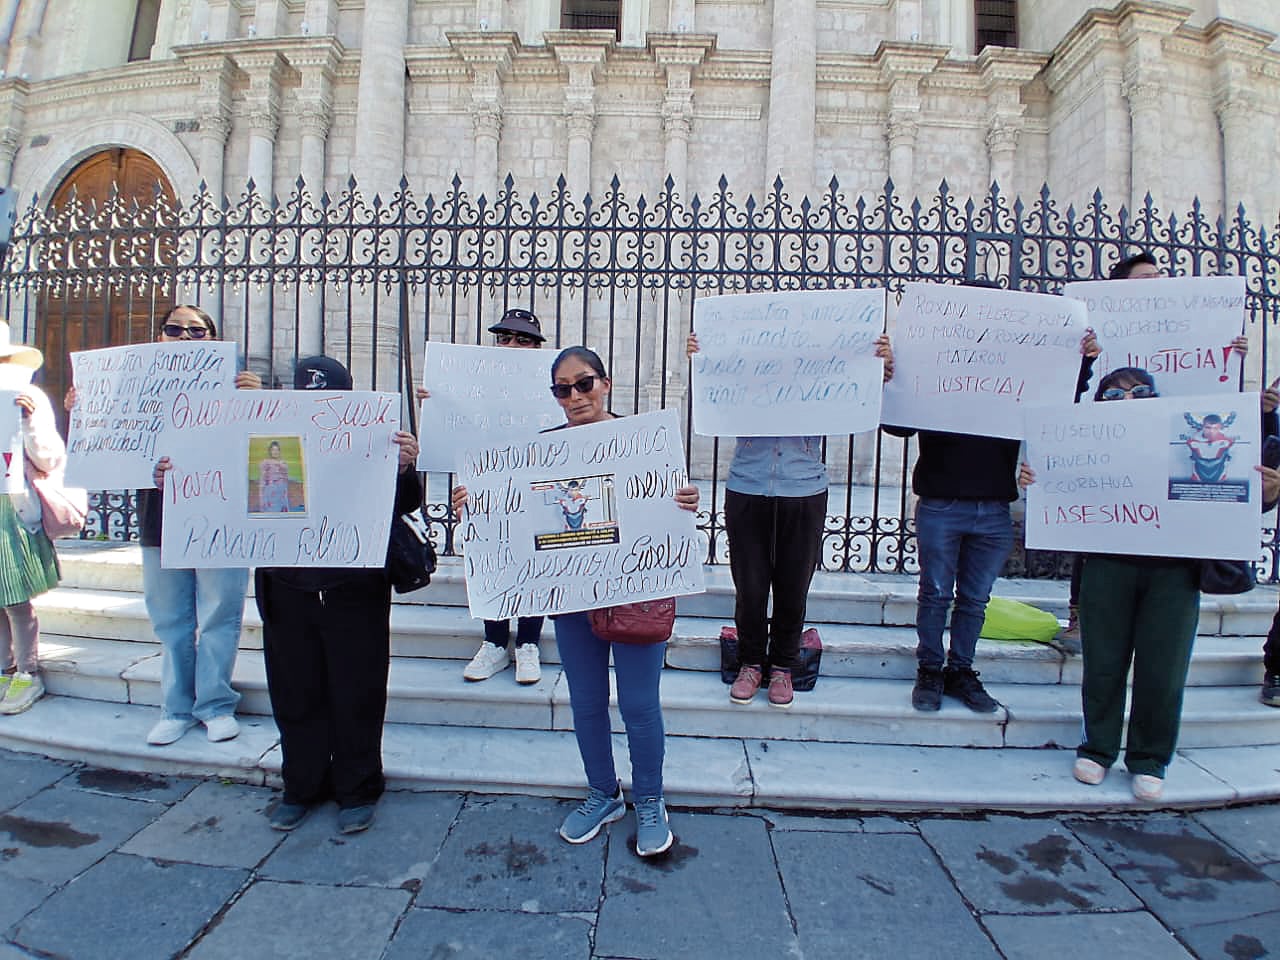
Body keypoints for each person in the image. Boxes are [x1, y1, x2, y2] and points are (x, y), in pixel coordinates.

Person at [453, 345, 699, 857]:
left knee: (638, 704)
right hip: (570, 597)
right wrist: (474, 503)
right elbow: (513, 514)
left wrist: (686, 500)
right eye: (562, 389)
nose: (574, 397)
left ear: (605, 383)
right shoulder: (543, 450)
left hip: (635, 593)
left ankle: (650, 800)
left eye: (583, 384)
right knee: (586, 702)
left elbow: (666, 505)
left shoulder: (643, 443)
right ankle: (602, 792)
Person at [67, 305, 261, 744]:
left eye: (197, 330)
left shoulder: (239, 385)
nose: (185, 337)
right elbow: (102, 441)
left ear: (213, 338)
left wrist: (259, 399)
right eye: (175, 329)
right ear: (160, 337)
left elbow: (273, 442)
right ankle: (175, 708)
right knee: (171, 617)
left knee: (219, 614)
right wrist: (84, 409)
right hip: (160, 515)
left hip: (222, 513)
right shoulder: (130, 389)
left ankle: (214, 704)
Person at [686, 330, 894, 709]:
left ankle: (782, 664)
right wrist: (705, 359)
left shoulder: (820, 373)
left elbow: (856, 402)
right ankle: (751, 662)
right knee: (749, 586)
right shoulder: (746, 370)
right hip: (748, 485)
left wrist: (874, 370)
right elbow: (714, 399)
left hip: (804, 487)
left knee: (793, 585)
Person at [1024, 366, 1205, 802]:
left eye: (1139, 392)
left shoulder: (1183, 442)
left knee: (1163, 668)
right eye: (1112, 394)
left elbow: (1227, 492)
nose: (1126, 401)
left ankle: (1149, 758)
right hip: (1108, 563)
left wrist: (1269, 492)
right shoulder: (1089, 443)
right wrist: (1038, 480)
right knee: (1103, 663)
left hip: (1173, 568)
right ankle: (1098, 748)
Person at [258, 356, 421, 835]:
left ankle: (358, 787)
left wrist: (404, 467)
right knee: (293, 687)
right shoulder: (269, 443)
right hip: (284, 581)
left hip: (355, 584)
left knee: (360, 687)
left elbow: (405, 503)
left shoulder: (371, 439)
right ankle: (300, 786)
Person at [1063, 252, 1249, 642]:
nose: (1157, 281)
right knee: (1095, 520)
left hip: (1162, 443)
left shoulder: (1185, 324)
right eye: (1145, 276)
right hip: (1108, 440)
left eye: (1159, 275)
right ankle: (1081, 612)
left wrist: (1230, 355)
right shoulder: (1097, 324)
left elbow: (1213, 389)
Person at [420, 308, 548, 685]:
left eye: (523, 340)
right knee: (489, 558)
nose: (511, 346)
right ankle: (494, 642)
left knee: (534, 561)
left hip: (533, 482)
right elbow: (456, 422)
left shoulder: (548, 385)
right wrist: (436, 402)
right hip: (484, 484)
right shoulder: (475, 382)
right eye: (505, 338)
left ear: (537, 347)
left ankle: (527, 643)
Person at [0, 326, 63, 716]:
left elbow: (49, 458)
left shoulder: (28, 397)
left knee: (16, 595)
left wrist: (30, 420)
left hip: (12, 508)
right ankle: (6, 667)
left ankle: (27, 671)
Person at [258, 440, 291, 513]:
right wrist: (262, 498)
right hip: (270, 492)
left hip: (281, 493)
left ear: (279, 451)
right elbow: (262, 481)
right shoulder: (265, 463)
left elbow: (285, 481)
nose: (275, 452)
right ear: (270, 451)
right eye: (273, 450)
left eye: (277, 450)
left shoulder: (283, 464)